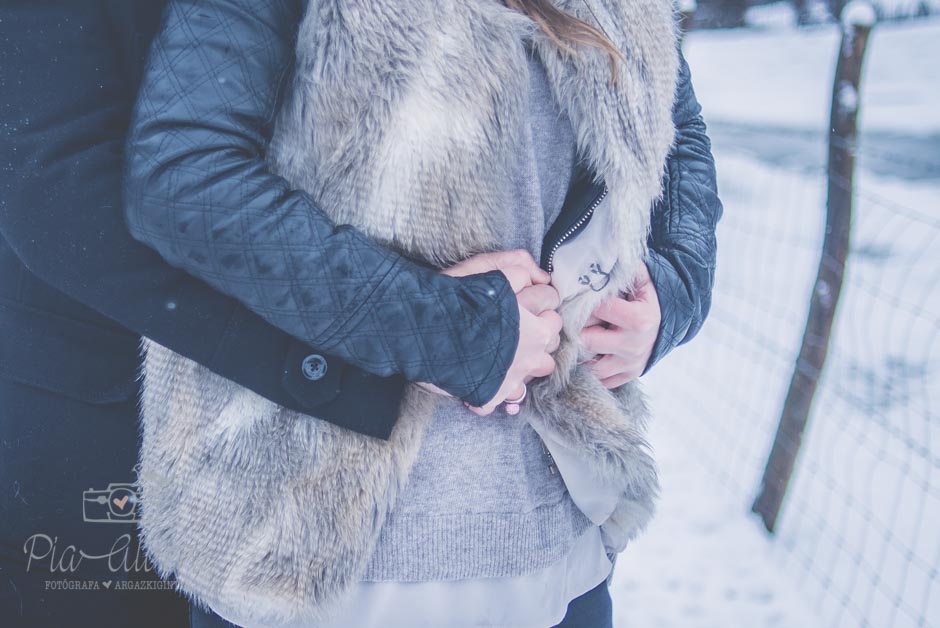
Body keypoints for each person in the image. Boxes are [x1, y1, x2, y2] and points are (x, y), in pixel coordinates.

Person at [123, 1, 722, 627]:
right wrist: (447, 332)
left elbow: (679, 134)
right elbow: (183, 177)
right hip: (311, 550)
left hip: (559, 544)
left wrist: (674, 289)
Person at [0, 2, 554, 626]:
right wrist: (406, 336)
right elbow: (58, 191)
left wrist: (664, 293)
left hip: (303, 455)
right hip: (104, 440)